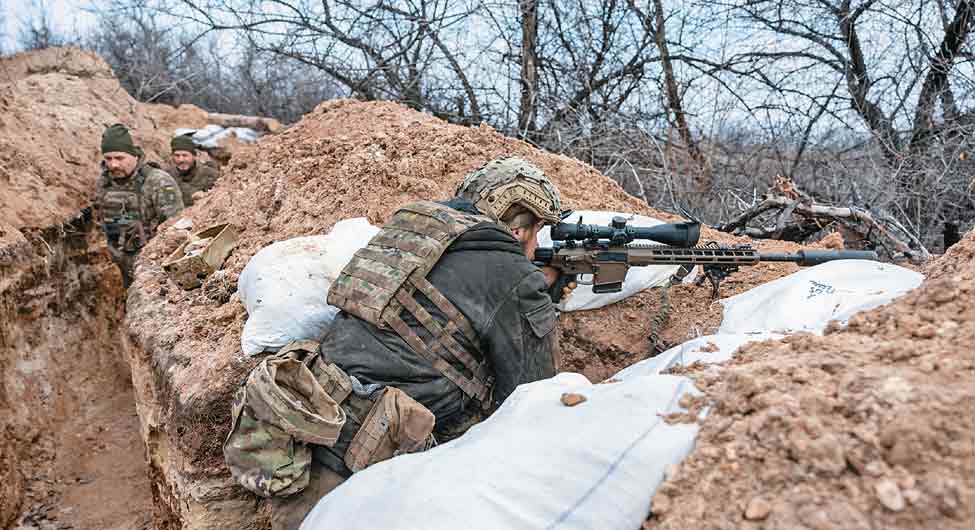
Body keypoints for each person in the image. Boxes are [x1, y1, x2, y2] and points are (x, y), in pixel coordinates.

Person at [226, 157, 573, 530]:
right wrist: (534, 297)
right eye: (536, 232)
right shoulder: (511, 273)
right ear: (516, 224)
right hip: (371, 470)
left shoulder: (410, 232)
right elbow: (531, 398)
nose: (536, 248)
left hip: (307, 431)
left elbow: (436, 310)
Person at [95, 123, 184, 286]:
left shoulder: (157, 181)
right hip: (118, 261)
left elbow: (177, 229)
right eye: (108, 158)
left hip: (151, 266)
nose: (113, 164)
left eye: (119, 158)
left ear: (134, 155)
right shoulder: (104, 182)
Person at [165, 133, 219, 206]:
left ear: (195, 156)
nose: (181, 160)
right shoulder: (166, 176)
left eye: (185, 155)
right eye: (177, 155)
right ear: (172, 156)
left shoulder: (211, 175)